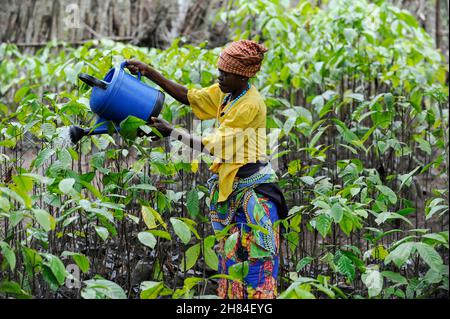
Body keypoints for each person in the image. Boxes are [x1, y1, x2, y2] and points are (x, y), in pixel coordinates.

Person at [126, 39, 288, 299]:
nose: (220, 76)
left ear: (242, 75)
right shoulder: (229, 94)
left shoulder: (249, 105)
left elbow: (216, 146)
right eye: (220, 71)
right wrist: (150, 72)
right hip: (233, 187)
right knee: (231, 260)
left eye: (225, 73)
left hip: (255, 194)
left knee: (254, 265)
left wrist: (172, 131)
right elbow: (191, 97)